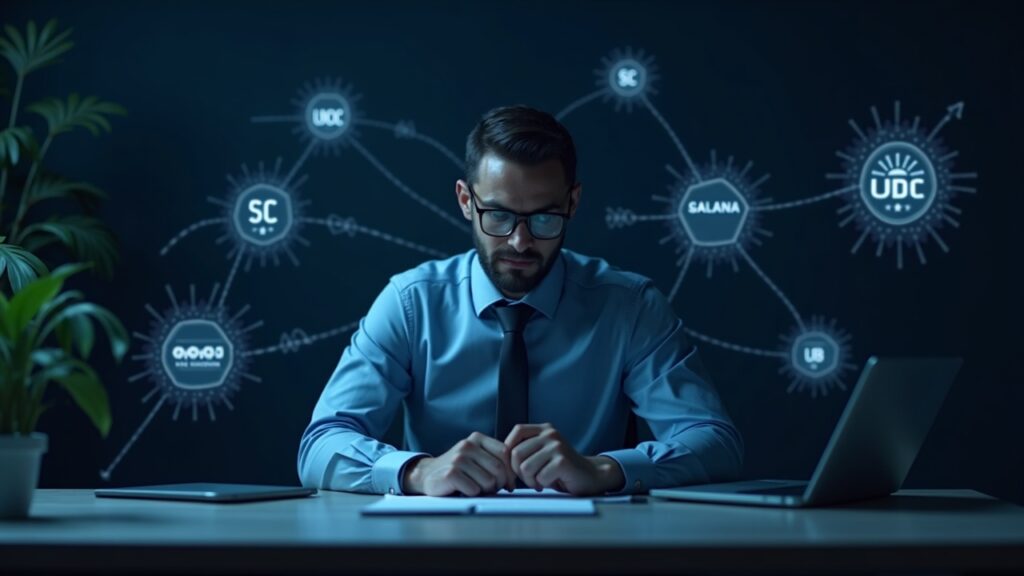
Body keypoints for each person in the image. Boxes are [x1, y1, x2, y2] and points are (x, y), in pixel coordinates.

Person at [297, 105, 743, 496]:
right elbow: (320, 445)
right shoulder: (411, 304)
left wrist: (603, 469)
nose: (520, 241)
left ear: (573, 203)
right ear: (466, 201)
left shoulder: (631, 307)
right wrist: (417, 472)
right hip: (436, 549)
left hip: (592, 549)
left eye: (544, 218)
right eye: (499, 215)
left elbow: (716, 442)